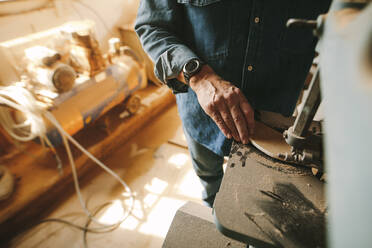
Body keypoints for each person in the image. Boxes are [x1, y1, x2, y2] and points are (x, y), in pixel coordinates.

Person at [135, 0, 330, 207]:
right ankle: (212, 204)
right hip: (203, 116)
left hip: (275, 120)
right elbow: (151, 26)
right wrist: (199, 77)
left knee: (263, 199)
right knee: (211, 182)